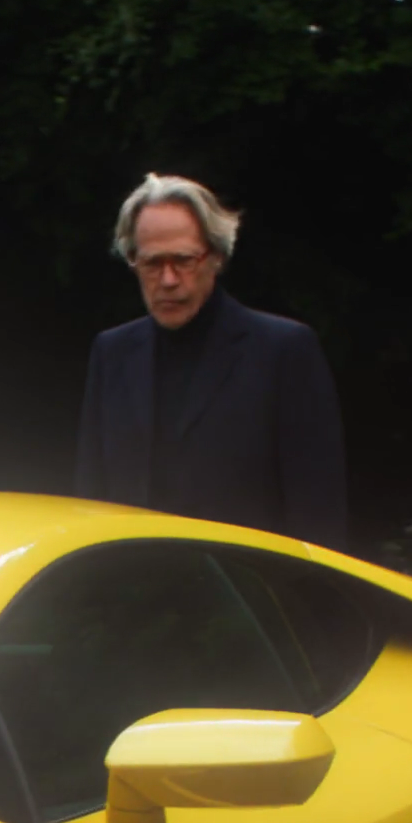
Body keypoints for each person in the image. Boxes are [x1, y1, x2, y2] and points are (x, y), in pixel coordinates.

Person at [72, 173, 348, 548]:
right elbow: (91, 497)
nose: (168, 280)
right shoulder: (112, 352)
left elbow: (318, 514)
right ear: (132, 261)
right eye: (151, 264)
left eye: (183, 260)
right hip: (134, 593)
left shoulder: (283, 351)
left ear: (216, 257)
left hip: (248, 595)